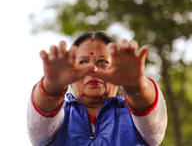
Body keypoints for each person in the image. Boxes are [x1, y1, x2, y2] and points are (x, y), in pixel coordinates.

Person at [27, 31, 167, 146]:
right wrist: (52, 85)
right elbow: (38, 129)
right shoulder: (58, 116)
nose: (93, 69)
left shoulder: (134, 116)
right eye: (82, 62)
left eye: (102, 61)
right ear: (69, 79)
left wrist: (136, 84)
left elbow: (154, 125)